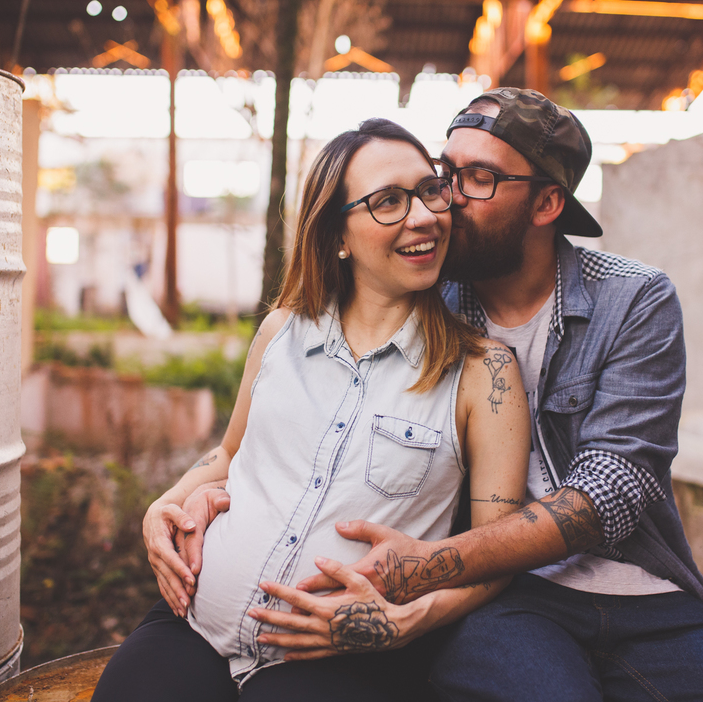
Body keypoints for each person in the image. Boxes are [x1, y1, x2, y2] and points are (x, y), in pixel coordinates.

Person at [276, 88, 703, 701]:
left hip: (638, 586)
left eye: (480, 178)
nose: (447, 201)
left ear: (548, 202)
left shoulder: (632, 300)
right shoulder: (423, 299)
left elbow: (612, 493)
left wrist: (424, 566)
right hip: (503, 592)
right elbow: (311, 413)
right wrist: (195, 494)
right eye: (446, 174)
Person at [93, 118, 531, 702]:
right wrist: (163, 506)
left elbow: (493, 554)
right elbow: (229, 453)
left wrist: (411, 622)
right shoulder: (280, 331)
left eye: (430, 191)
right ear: (337, 236)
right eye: (389, 202)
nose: (425, 215)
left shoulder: (485, 372)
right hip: (196, 624)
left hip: (343, 661)